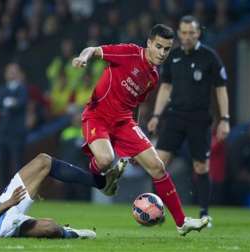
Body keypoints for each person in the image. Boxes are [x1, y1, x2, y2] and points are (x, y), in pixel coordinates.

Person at [71, 24, 209, 235]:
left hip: (125, 122)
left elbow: (134, 104)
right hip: (97, 115)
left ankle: (182, 223)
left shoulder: (153, 77)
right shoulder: (128, 52)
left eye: (167, 49)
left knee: (158, 167)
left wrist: (134, 142)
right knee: (106, 159)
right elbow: (94, 50)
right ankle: (102, 180)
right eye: (159, 47)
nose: (162, 53)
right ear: (149, 43)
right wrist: (83, 58)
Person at [147, 16, 230, 226]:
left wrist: (225, 119)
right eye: (183, 33)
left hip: (200, 119)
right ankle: (154, 210)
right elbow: (165, 88)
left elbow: (221, 89)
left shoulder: (210, 57)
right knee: (157, 164)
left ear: (198, 33)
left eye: (191, 33)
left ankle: (204, 213)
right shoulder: (172, 56)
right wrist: (156, 115)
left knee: (201, 167)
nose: (186, 37)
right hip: (175, 116)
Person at [0, 63, 28, 189]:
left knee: (18, 165)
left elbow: (21, 103)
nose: (12, 74)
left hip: (17, 133)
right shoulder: (1, 89)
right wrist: (10, 103)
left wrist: (7, 103)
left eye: (14, 71)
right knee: (3, 165)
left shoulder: (22, 89)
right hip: (3, 133)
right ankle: (4, 194)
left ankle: (20, 193)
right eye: (10, 71)